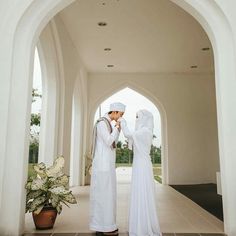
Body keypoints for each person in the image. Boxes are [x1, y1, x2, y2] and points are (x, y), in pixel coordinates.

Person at [119, 109, 162, 236]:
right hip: (138, 164)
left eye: (138, 117)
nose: (137, 119)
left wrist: (122, 121)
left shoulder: (145, 132)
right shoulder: (142, 131)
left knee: (143, 191)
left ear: (145, 118)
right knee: (138, 191)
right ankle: (138, 223)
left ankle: (144, 225)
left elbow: (127, 134)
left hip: (142, 166)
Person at [89, 102, 126, 236]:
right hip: (102, 166)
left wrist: (116, 128)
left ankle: (107, 225)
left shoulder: (107, 124)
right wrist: (117, 128)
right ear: (114, 112)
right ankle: (103, 226)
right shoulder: (102, 123)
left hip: (107, 165)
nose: (120, 117)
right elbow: (109, 141)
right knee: (103, 196)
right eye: (120, 114)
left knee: (108, 196)